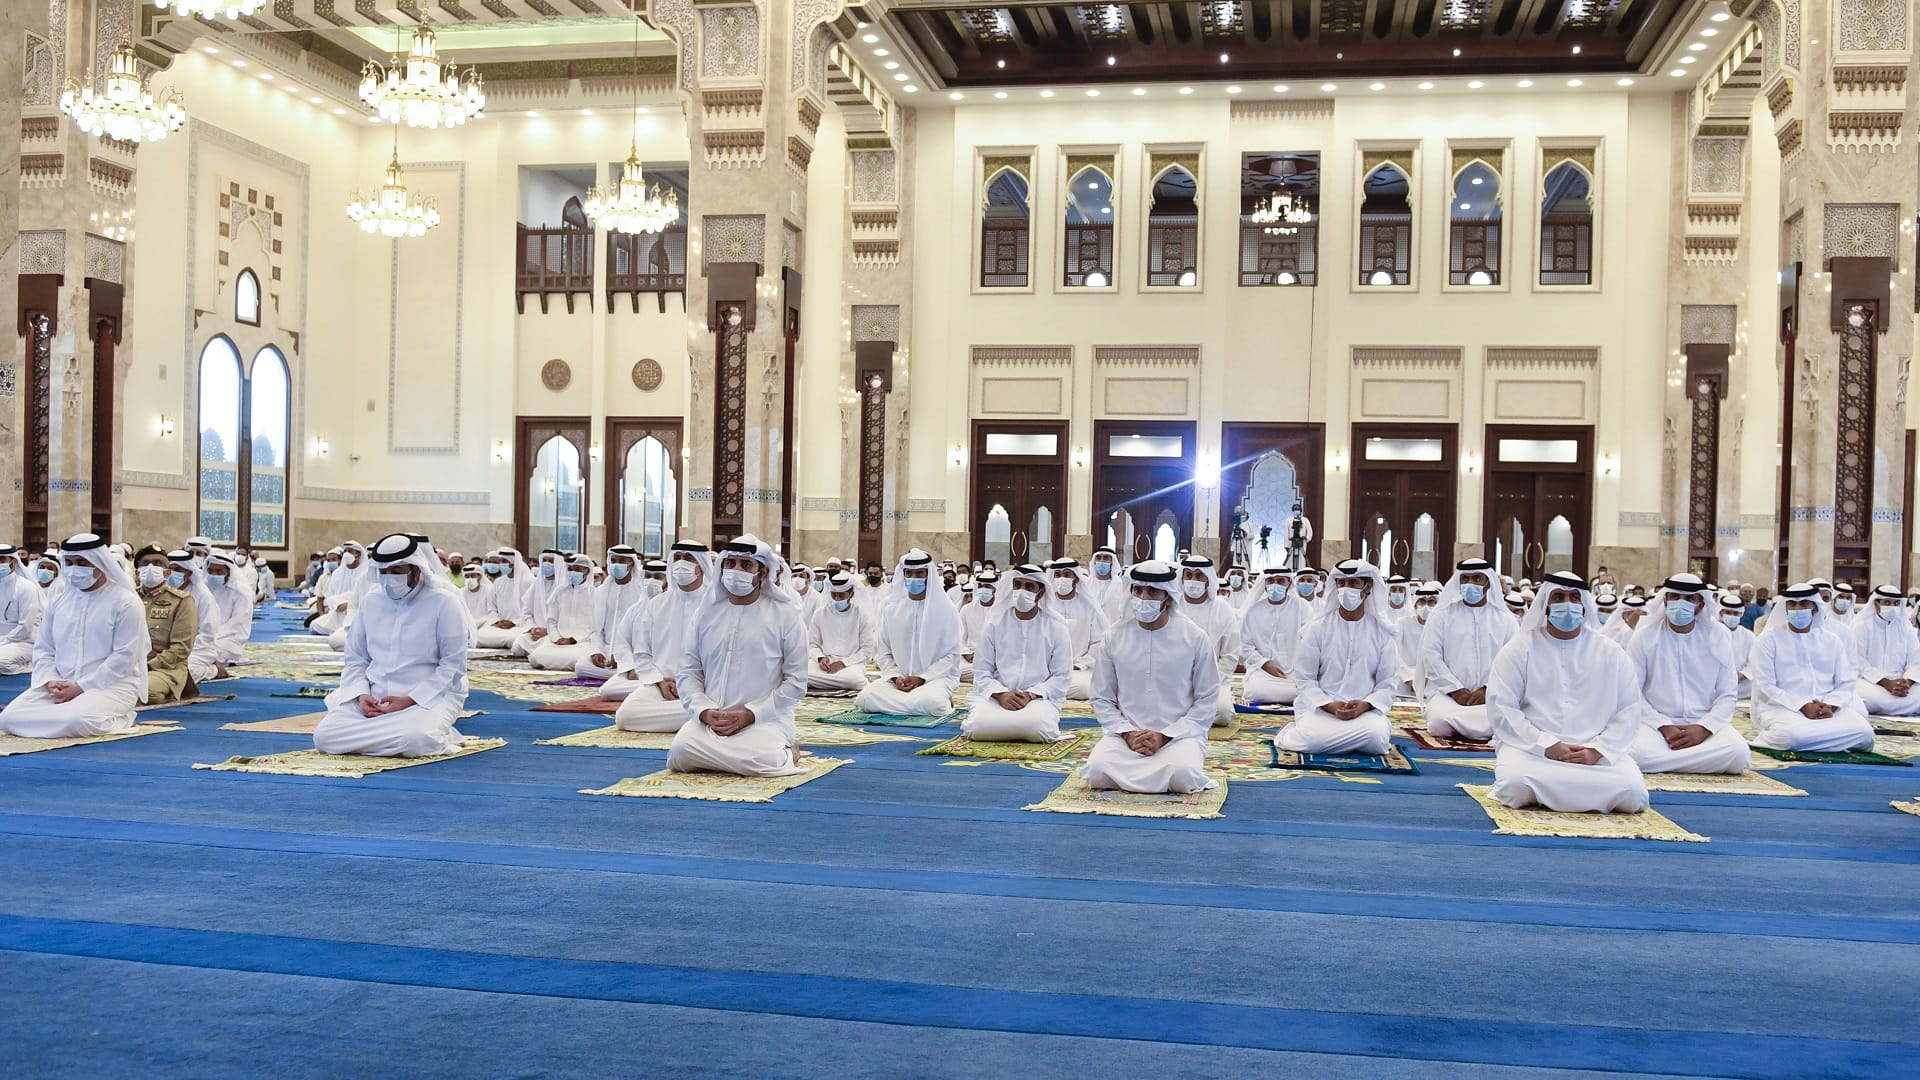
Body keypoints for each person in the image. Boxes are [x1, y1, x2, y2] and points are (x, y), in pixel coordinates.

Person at [1485, 571, 1649, 813]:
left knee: (1634, 795)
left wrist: (1597, 750)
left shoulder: (1611, 652)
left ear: (1584, 604)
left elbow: (1629, 710)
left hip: (1594, 752)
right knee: (1514, 787)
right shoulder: (1519, 648)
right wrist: (1546, 745)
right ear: (1546, 604)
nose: (1567, 604)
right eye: (1559, 597)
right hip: (1533, 750)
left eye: (1574, 597)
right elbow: (1502, 708)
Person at [312, 534, 472, 757]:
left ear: (416, 569)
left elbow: (452, 666)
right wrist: (361, 695)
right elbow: (356, 659)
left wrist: (409, 700)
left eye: (396, 572)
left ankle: (425, 731)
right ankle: (399, 733)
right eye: (383, 572)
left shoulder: (444, 602)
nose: (388, 578)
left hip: (429, 696)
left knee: (417, 740)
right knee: (325, 737)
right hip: (375, 697)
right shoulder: (371, 601)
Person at [666, 535, 809, 777]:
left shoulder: (786, 616)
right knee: (679, 754)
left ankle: (788, 751)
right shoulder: (705, 614)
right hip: (712, 720)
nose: (736, 570)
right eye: (730, 564)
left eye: (746, 565)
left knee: (764, 759)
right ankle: (740, 755)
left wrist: (751, 714)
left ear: (762, 574)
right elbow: (689, 672)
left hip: (764, 720)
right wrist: (703, 711)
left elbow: (796, 683)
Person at [1081, 561, 1218, 794]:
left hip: (1178, 736)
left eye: (1152, 591)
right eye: (1137, 590)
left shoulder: (1195, 638)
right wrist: (1128, 733)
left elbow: (1207, 700)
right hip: (1126, 737)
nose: (1143, 597)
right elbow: (1101, 698)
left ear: (1168, 597)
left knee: (1184, 776)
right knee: (1096, 771)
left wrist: (1164, 736)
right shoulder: (1114, 636)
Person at [0, 534, 150, 738]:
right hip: (61, 684)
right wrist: (50, 681)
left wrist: (80, 688)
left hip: (110, 686)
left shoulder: (125, 602)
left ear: (99, 562)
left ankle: (121, 718)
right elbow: (44, 649)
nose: (74, 568)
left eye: (82, 563)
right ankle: (64, 712)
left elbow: (124, 657)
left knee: (77, 721)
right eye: (69, 563)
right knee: (8, 719)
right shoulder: (59, 601)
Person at [1624, 575, 1750, 775]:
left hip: (1704, 722)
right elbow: (1632, 692)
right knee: (1638, 755)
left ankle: (1670, 760)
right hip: (1655, 724)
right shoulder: (1645, 636)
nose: (1681, 603)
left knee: (1739, 754)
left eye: (1689, 598)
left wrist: (1704, 728)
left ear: (1700, 604)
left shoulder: (1718, 635)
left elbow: (1727, 692)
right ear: (1665, 600)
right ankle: (1699, 760)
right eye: (1675, 596)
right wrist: (1663, 725)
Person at [1276, 559, 1398, 755]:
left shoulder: (1382, 632)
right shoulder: (1318, 628)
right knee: (1313, 740)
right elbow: (1305, 679)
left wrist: (1365, 705)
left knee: (1376, 739)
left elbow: (1387, 684)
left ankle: (1325, 740)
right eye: (1341, 583)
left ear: (1368, 587)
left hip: (1364, 712)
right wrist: (1329, 705)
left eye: (1353, 583)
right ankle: (1294, 733)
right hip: (1321, 708)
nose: (1346, 589)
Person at [1749, 583, 1875, 751]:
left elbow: (1846, 682)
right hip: (1783, 707)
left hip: (1827, 709)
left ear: (1815, 608)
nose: (1797, 609)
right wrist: (1802, 706)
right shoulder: (1768, 639)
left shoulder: (1832, 641)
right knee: (1791, 736)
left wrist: (1831, 705)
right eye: (1792, 604)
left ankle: (1814, 740)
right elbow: (1766, 685)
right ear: (1785, 608)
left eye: (1804, 604)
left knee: (1865, 734)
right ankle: (1830, 741)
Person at [963, 564, 1073, 742]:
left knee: (1039, 729)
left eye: (1029, 587)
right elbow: (981, 671)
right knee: (976, 727)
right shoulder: (994, 624)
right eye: (1018, 585)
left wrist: (1030, 694)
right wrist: (1001, 694)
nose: (1022, 591)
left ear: (1041, 592)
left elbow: (1062, 676)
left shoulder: (1056, 628)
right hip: (997, 694)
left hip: (1038, 698)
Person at [1416, 559, 1515, 744]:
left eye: (1477, 578)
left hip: (1492, 696)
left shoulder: (1505, 619)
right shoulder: (1442, 616)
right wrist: (1456, 690)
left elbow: (1512, 662)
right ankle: (1482, 729)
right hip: (1448, 695)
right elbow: (1431, 657)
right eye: (1465, 579)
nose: (1471, 584)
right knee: (1439, 723)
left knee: (1509, 718)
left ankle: (1470, 727)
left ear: (1488, 583)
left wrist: (1488, 689)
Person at [854, 550, 963, 716]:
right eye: (909, 573)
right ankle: (913, 703)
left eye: (919, 573)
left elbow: (952, 655)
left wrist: (922, 678)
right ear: (903, 575)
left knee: (935, 704)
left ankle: (926, 700)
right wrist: (896, 677)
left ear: (929, 575)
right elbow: (884, 653)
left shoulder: (946, 610)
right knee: (864, 699)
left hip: (934, 678)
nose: (914, 578)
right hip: (899, 680)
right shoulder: (891, 610)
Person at [609, 541, 711, 718]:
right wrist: (658, 680)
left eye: (688, 558)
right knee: (626, 716)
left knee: (714, 703)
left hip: (705, 687)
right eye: (677, 558)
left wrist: (692, 686)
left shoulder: (715, 604)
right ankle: (699, 717)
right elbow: (642, 652)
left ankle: (699, 715)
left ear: (701, 565)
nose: (681, 562)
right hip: (663, 683)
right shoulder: (656, 605)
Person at [1175, 554, 1241, 726]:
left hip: (1212, 678)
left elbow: (1230, 654)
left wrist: (1211, 681)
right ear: (1182, 577)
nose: (1193, 580)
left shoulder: (1223, 609)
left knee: (1223, 713)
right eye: (1188, 575)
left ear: (1208, 578)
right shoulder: (1171, 605)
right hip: (1173, 677)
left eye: (1199, 575)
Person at [132, 546, 201, 703]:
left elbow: (181, 648)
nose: (151, 567)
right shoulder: (129, 597)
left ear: (168, 572)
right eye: (145, 563)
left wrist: (148, 666)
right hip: (127, 664)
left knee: (144, 692)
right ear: (137, 572)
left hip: (163, 668)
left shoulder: (181, 601)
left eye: (158, 563)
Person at [1239, 566, 1311, 706]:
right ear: (1264, 584)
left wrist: (1300, 668)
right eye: (1270, 581)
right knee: (1254, 692)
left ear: (1289, 583)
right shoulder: (1254, 611)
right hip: (1263, 671)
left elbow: (1310, 640)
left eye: (1280, 581)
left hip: (1295, 671)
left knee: (1307, 691)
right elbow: (1245, 646)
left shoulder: (1302, 606)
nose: (1275, 585)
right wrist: (1265, 664)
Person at [576, 545, 644, 680]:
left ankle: (626, 672)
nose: (617, 565)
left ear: (631, 563)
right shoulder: (601, 591)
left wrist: (623, 656)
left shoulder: (641, 592)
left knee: (639, 666)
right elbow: (595, 630)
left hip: (632, 652)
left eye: (622, 561)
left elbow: (642, 632)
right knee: (581, 668)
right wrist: (596, 651)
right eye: (614, 561)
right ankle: (622, 675)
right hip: (606, 649)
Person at [1045, 557, 1107, 700]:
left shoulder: (1089, 607)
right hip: (1047, 668)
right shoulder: (1045, 606)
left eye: (1067, 575)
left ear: (1076, 579)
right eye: (1058, 575)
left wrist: (1080, 664)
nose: (1062, 579)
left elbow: (1098, 642)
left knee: (1084, 688)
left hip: (1078, 669)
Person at [1853, 585, 1920, 716]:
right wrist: (1886, 683)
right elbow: (1859, 662)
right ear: (1876, 604)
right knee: (1863, 698)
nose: (1892, 607)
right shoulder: (1861, 627)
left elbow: (1915, 661)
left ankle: (1889, 708)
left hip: (1902, 683)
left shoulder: (1907, 629)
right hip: (1871, 682)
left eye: (1896, 603)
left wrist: (1907, 682)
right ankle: (1904, 709)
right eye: (1887, 603)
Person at [807, 570, 875, 693]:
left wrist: (843, 663)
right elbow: (812, 644)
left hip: (852, 663)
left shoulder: (862, 615)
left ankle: (825, 682)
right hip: (825, 663)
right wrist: (820, 658)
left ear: (851, 594)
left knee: (855, 680)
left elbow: (866, 650)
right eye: (834, 595)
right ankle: (834, 681)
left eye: (841, 596)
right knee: (800, 675)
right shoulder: (820, 614)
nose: (837, 599)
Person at [472, 548, 535, 650]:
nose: (501, 564)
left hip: (519, 625)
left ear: (513, 563)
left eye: (504, 561)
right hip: (499, 625)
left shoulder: (528, 582)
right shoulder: (499, 582)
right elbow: (491, 606)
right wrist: (497, 621)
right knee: (478, 636)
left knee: (513, 639)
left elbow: (530, 609)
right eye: (500, 561)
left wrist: (514, 622)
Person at [203, 552, 255, 666]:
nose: (214, 574)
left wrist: (215, 636)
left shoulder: (241, 591)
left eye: (219, 571)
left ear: (228, 572)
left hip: (231, 637)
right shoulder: (205, 587)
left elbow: (238, 622)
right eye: (210, 571)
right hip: (206, 635)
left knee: (208, 654)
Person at [0, 545, 44, 676]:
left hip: (23, 642)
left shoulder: (26, 587)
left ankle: (31, 665)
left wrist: (2, 641)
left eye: (1, 560)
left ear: (13, 562)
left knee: (2, 662)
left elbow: (25, 628)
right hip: (3, 642)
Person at [958, 569, 1001, 677]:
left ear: (995, 588)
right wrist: (966, 653)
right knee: (954, 670)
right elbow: (960, 637)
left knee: (1001, 671)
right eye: (980, 586)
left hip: (997, 659)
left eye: (987, 586)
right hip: (971, 658)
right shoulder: (966, 610)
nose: (983, 589)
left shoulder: (1003, 610)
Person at [1718, 590, 1756, 699]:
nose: (1732, 616)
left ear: (1741, 614)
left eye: (1735, 613)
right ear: (1721, 612)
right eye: (1728, 613)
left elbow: (1755, 660)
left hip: (1744, 691)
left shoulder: (1749, 635)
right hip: (1718, 689)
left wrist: (1742, 675)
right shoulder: (1712, 633)